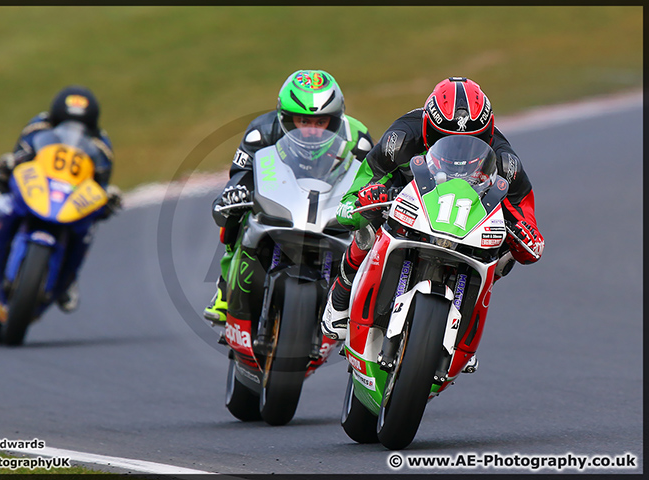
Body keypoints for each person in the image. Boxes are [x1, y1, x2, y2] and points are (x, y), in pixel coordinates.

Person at [321, 76, 545, 349]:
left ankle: (466, 320)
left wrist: (525, 230)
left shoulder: (505, 160)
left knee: (506, 254)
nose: (460, 151)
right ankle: (342, 293)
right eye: (446, 138)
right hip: (411, 192)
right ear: (429, 129)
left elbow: (522, 205)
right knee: (366, 226)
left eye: (471, 140)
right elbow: (367, 178)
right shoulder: (401, 138)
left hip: (470, 210)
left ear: (487, 134)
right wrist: (362, 200)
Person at [203, 69, 375, 324]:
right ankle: (224, 286)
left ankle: (349, 301)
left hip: (328, 205)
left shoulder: (358, 138)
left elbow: (370, 181)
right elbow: (241, 174)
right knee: (233, 211)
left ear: (336, 120)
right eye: (303, 121)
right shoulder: (261, 131)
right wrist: (234, 195)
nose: (312, 130)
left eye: (321, 122)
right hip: (281, 199)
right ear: (285, 118)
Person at [0, 85, 123, 313]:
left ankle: (70, 278)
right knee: (2, 199)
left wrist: (108, 199)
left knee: (88, 227)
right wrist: (8, 165)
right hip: (39, 185)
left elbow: (102, 182)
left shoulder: (101, 143)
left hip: (70, 196)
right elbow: (20, 156)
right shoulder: (37, 127)